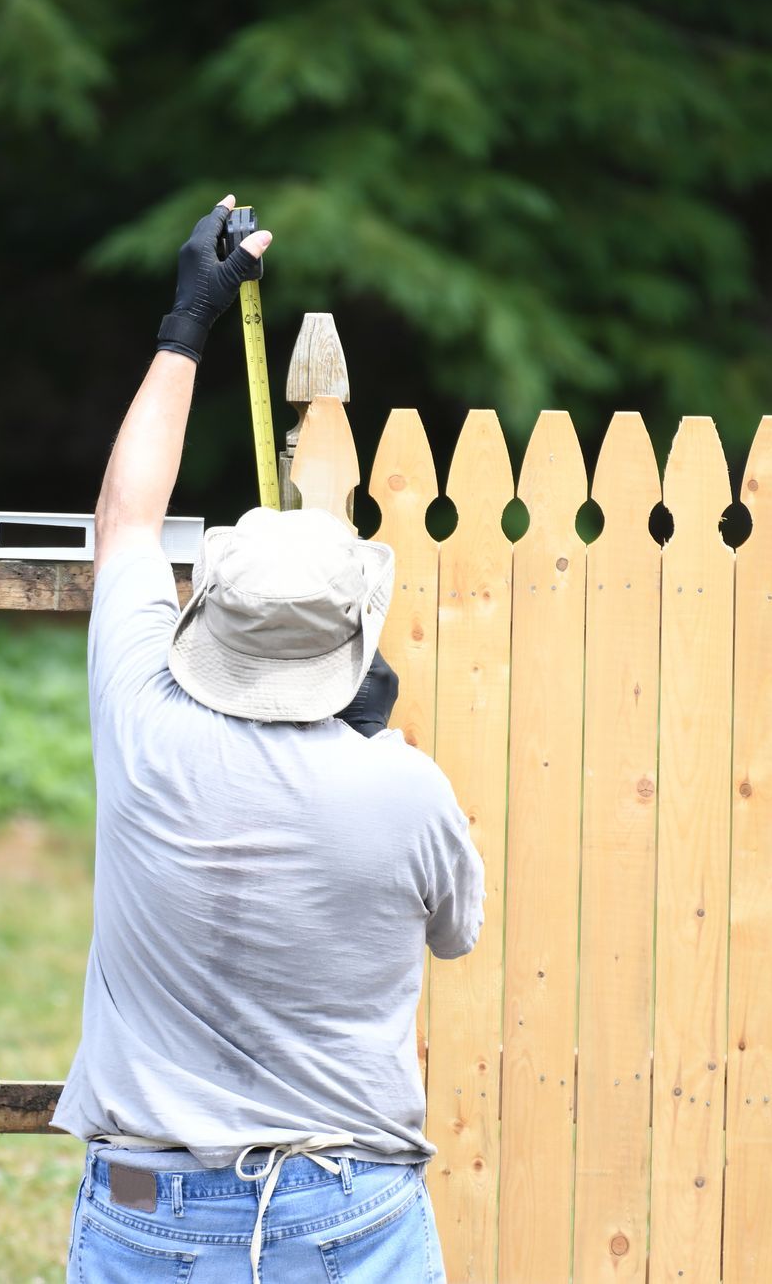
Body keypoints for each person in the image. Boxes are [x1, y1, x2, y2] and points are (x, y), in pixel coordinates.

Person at [53, 196, 485, 1283]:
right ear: (352, 652)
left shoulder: (143, 728)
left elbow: (127, 520)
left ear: (211, 624)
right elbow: (456, 934)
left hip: (153, 1206)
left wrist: (185, 327)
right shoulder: (408, 791)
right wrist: (369, 747)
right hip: (350, 1214)